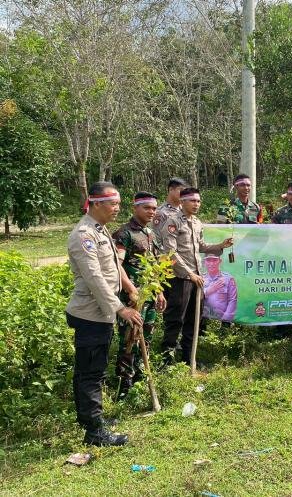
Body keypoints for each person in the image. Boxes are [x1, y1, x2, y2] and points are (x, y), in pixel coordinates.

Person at [65, 182, 142, 446]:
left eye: (119, 204)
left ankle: (91, 420)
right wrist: (120, 308)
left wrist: (129, 289)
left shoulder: (101, 230)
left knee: (92, 369)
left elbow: (112, 267)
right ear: (96, 203)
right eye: (113, 204)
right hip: (91, 314)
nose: (117, 209)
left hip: (101, 313)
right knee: (91, 372)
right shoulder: (84, 234)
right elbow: (94, 277)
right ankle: (94, 431)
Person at [160, 187, 233, 365]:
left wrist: (220, 245)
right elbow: (170, 252)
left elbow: (201, 246)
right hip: (180, 279)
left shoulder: (197, 222)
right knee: (175, 319)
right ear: (182, 201)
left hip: (196, 278)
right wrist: (189, 273)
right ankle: (166, 361)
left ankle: (188, 359)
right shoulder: (172, 221)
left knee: (194, 321)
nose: (197, 204)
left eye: (199, 201)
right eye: (193, 201)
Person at [111, 191, 167, 400]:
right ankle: (124, 385)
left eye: (154, 208)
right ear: (135, 208)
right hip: (132, 298)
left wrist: (159, 291)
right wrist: (130, 289)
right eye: (147, 208)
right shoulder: (124, 233)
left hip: (149, 296)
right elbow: (117, 265)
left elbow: (153, 265)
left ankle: (140, 378)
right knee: (129, 339)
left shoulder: (149, 233)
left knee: (147, 336)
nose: (151, 211)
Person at [203, 254, 238, 322]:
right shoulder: (201, 278)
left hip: (222, 318)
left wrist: (226, 319)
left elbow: (232, 300)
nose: (211, 263)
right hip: (203, 319)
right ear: (204, 262)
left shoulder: (228, 279)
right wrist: (209, 291)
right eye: (208, 260)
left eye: (215, 260)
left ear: (220, 261)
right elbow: (194, 297)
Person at [152, 177, 187, 244]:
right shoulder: (161, 213)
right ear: (171, 190)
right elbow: (157, 241)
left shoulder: (185, 210)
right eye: (181, 190)